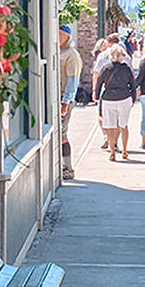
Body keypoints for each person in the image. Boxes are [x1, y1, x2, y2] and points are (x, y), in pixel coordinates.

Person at [96, 44, 138, 161]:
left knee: (110, 127)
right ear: (119, 56)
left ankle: (112, 152)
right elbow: (132, 85)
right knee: (123, 125)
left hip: (108, 99)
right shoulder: (126, 68)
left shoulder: (105, 68)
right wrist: (133, 98)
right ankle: (124, 150)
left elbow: (99, 83)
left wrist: (96, 96)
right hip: (124, 98)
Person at [59, 25, 82, 179]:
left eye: (62, 34)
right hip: (54, 98)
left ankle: (69, 168)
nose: (59, 37)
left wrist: (66, 102)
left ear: (68, 37)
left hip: (63, 99)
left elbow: (72, 81)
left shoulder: (72, 55)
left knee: (63, 134)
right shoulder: (55, 50)